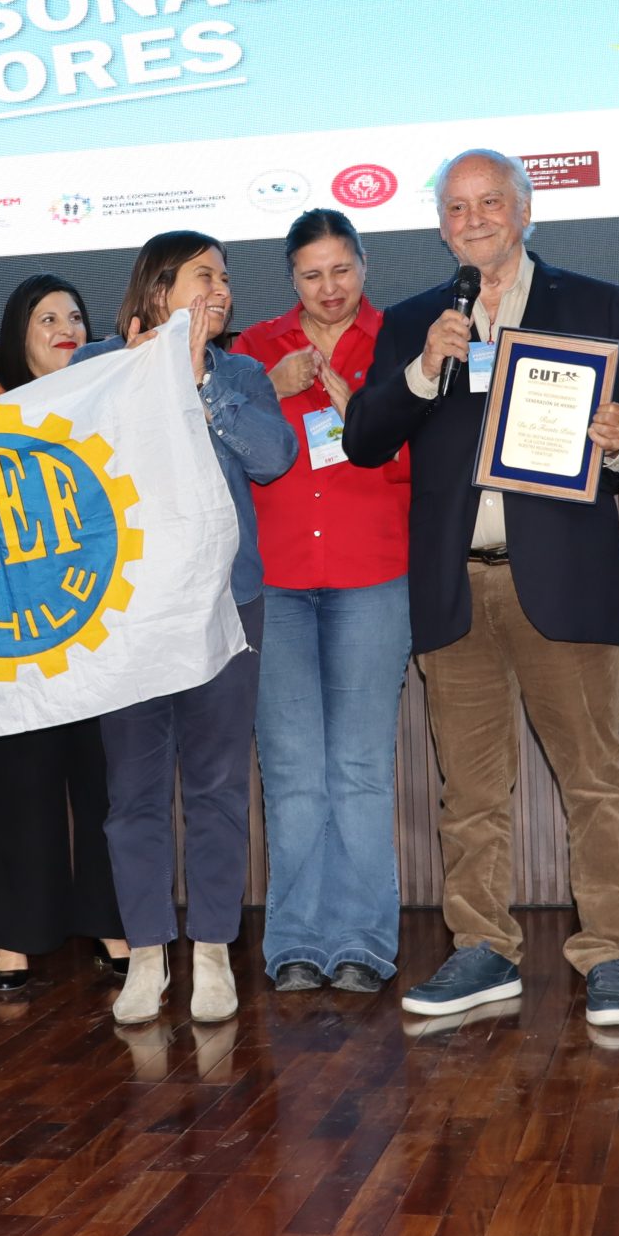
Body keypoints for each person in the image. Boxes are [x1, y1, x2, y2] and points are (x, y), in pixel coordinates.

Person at [344, 152, 619, 1030]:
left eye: (491, 202)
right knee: (470, 792)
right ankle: (481, 948)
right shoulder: (416, 318)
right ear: (440, 222)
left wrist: (618, 437)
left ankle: (609, 953)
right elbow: (365, 436)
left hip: (562, 581)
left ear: (524, 212)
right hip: (456, 588)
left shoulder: (590, 299)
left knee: (594, 781)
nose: (474, 217)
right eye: (456, 206)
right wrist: (419, 371)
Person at [79, 232, 295, 1026]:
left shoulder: (238, 372)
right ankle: (144, 953)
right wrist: (142, 377)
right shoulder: (95, 368)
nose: (224, 289)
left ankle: (210, 950)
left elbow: (274, 457)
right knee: (132, 793)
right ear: (161, 285)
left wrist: (200, 380)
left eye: (227, 278)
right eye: (207, 275)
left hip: (223, 606)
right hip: (125, 612)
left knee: (215, 786)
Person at [233, 211, 412, 995]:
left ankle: (365, 941)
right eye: (312, 274)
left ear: (364, 266)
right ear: (291, 279)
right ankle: (296, 940)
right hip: (277, 581)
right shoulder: (253, 349)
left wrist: (361, 405)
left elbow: (425, 458)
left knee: (360, 768)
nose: (329, 288)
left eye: (342, 269)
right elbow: (228, 451)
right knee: (293, 769)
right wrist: (267, 393)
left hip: (373, 574)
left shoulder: (401, 341)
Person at [0, 275, 129, 990]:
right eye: (46, 317)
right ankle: (16, 935)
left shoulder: (114, 405)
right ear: (18, 333)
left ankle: (112, 920)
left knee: (106, 781)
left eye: (75, 313)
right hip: (13, 627)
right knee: (21, 782)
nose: (66, 325)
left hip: (100, 622)